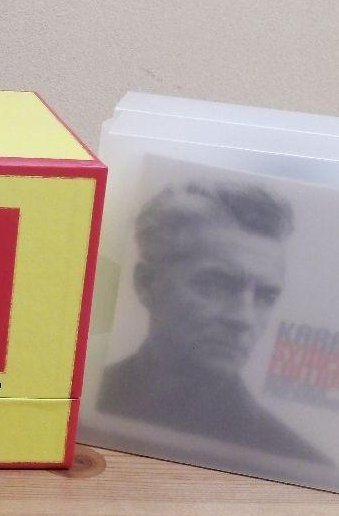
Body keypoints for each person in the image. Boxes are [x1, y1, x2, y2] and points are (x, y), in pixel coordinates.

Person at [98, 179, 324, 462]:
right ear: (146, 284)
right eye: (216, 285)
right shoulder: (78, 405)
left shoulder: (296, 463)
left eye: (265, 297)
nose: (243, 318)